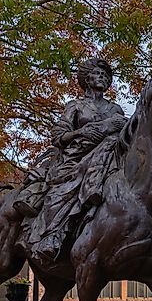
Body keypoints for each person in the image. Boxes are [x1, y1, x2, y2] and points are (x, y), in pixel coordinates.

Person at [19, 58, 128, 263]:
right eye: (98, 74)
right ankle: (51, 237)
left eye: (106, 76)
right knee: (58, 194)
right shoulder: (76, 106)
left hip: (110, 157)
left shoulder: (115, 110)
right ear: (87, 79)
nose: (103, 78)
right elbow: (59, 136)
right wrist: (82, 131)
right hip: (75, 158)